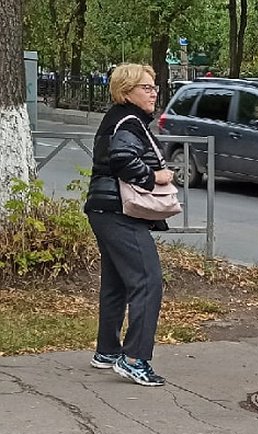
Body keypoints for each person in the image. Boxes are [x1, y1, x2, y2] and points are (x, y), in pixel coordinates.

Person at [84, 63, 175, 386]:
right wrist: (156, 177)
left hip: (103, 209)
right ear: (126, 93)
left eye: (154, 87)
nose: (154, 93)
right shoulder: (129, 121)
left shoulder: (116, 118)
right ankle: (135, 359)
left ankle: (107, 350)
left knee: (117, 283)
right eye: (146, 88)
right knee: (148, 281)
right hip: (120, 212)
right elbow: (122, 161)